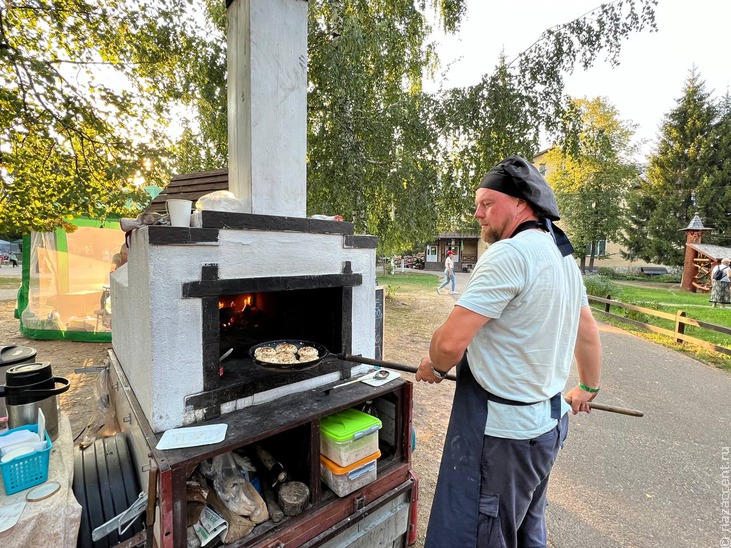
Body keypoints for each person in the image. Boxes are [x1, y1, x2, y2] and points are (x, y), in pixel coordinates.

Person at [416, 155, 602, 548]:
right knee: (526, 529)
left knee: (485, 537)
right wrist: (588, 386)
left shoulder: (510, 254)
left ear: (521, 202)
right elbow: (587, 330)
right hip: (547, 428)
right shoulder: (563, 258)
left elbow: (450, 344)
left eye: (487, 203)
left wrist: (434, 364)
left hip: (503, 438)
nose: (478, 213)